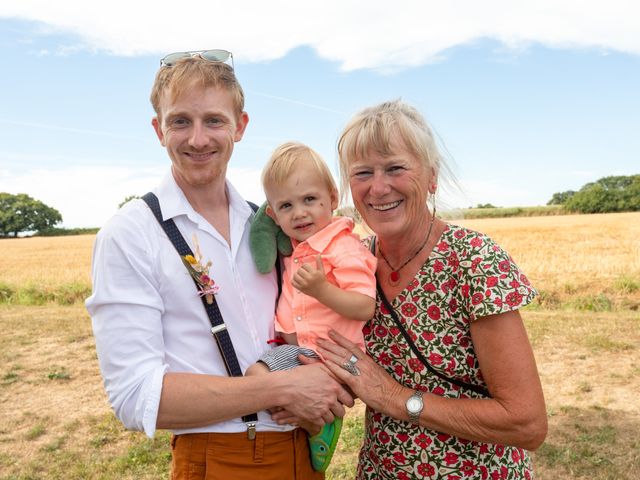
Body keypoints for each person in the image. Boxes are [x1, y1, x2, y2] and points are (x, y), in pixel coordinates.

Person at [85, 50, 353, 480]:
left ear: (240, 126)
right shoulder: (130, 233)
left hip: (303, 451)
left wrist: (332, 381)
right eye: (180, 121)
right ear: (158, 129)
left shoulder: (269, 223)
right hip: (218, 457)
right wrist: (280, 387)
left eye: (213, 120)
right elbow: (137, 397)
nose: (197, 139)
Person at [305, 99, 548, 479]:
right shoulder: (353, 263)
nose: (379, 187)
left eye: (395, 168)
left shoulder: (474, 260)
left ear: (431, 177)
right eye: (363, 172)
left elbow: (527, 423)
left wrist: (395, 398)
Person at [245, 142, 377, 470]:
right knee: (271, 391)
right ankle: (315, 425)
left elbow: (364, 306)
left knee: (256, 377)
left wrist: (322, 290)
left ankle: (319, 425)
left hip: (333, 356)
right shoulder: (295, 247)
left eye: (309, 200)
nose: (300, 213)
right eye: (286, 205)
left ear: (332, 198)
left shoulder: (342, 248)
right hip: (304, 353)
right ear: (273, 215)